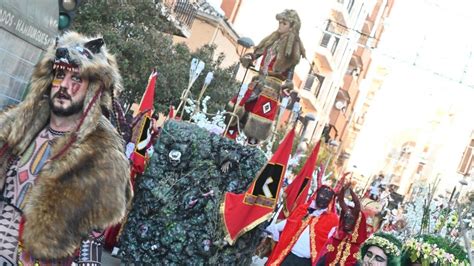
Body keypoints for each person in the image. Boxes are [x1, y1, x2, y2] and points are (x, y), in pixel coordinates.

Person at [0, 32, 131, 264]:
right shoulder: (14, 128)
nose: (64, 86)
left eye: (77, 79)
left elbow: (94, 234)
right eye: (60, 75)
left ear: (93, 89)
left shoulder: (103, 156)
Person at [225, 9, 306, 144]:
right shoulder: (272, 38)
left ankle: (248, 147)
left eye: (284, 23)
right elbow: (258, 52)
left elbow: (290, 70)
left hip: (272, 87)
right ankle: (230, 137)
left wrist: (289, 83)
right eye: (280, 22)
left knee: (259, 116)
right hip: (258, 80)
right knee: (240, 106)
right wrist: (250, 57)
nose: (280, 25)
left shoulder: (293, 47)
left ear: (292, 27)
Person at [264, 185, 339, 265]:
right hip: (288, 255)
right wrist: (275, 228)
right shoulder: (303, 209)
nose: (323, 199)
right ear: (316, 194)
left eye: (327, 197)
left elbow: (331, 242)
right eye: (322, 195)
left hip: (307, 262)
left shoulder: (332, 219)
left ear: (331, 200)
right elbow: (290, 223)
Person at [316, 185, 368, 265]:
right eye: (345, 218)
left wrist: (351, 191)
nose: (347, 222)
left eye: (351, 219)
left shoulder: (358, 248)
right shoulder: (335, 238)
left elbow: (357, 204)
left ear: (356, 222)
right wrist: (343, 189)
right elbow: (325, 255)